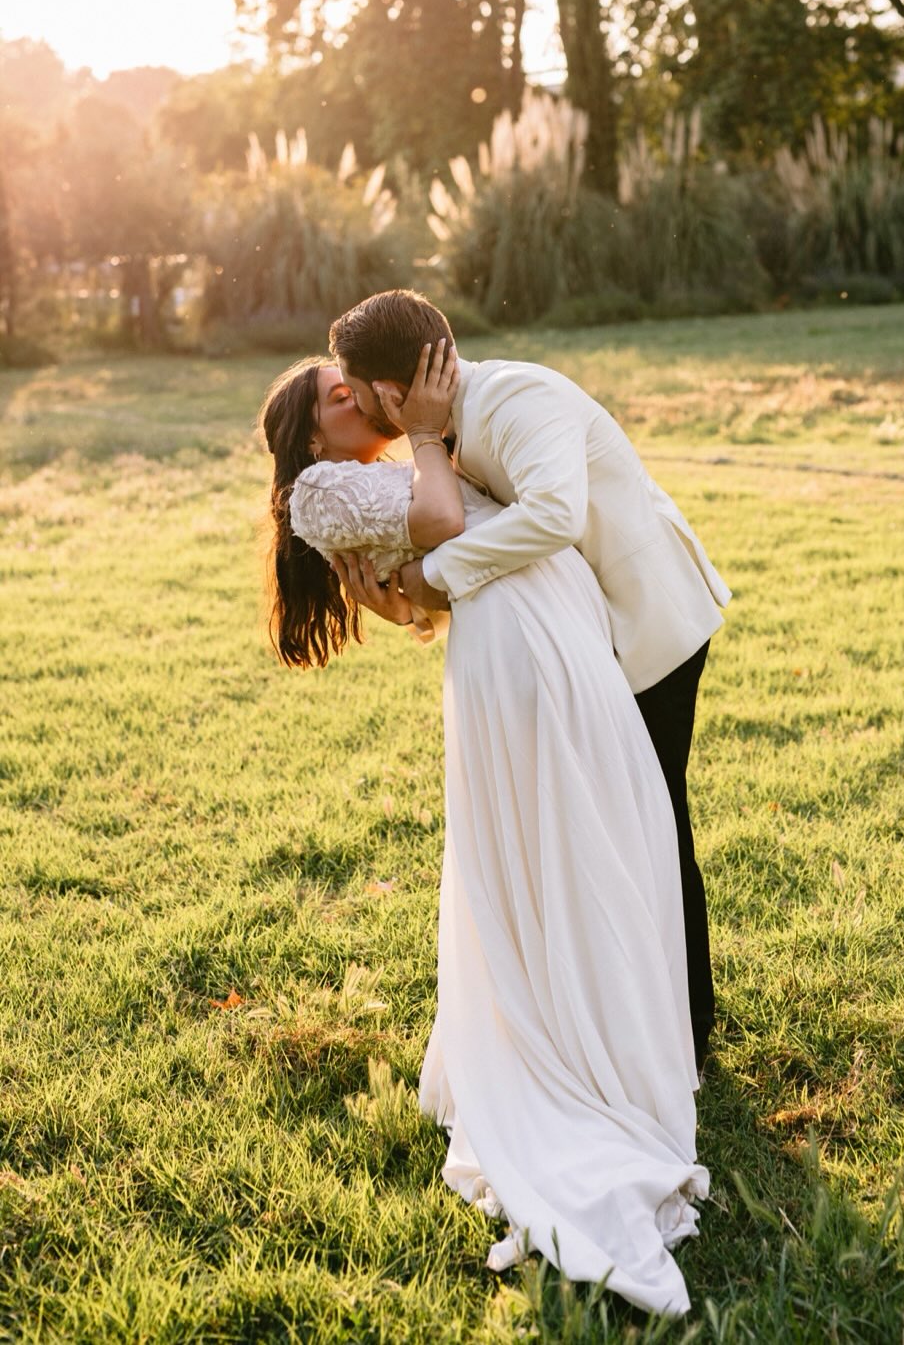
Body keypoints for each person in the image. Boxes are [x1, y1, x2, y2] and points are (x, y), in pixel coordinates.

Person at [260, 342, 708, 1316]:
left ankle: (633, 1023)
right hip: (518, 649)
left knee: (604, 830)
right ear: (309, 432)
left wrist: (417, 577)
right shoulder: (324, 492)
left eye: (363, 384)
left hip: (547, 631)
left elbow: (425, 585)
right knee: (569, 838)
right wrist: (423, 442)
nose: (365, 399)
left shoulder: (404, 454)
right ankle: (579, 1046)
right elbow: (447, 525)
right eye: (342, 397)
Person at [328, 290, 731, 1074]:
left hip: (653, 629)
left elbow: (553, 514)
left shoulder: (517, 397)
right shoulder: (442, 438)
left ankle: (689, 1024)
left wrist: (434, 574)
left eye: (361, 395)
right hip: (587, 645)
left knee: (653, 820)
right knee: (613, 824)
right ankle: (628, 1009)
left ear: (387, 391)